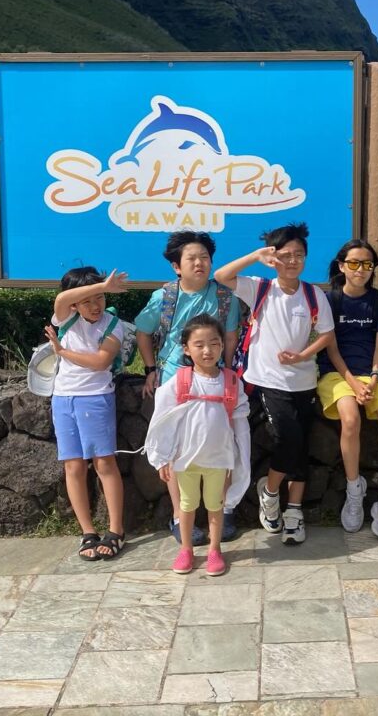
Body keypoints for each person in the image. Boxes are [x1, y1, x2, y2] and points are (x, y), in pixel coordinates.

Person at [214, 222, 334, 546]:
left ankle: (293, 510)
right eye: (285, 255)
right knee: (290, 439)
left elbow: (326, 334)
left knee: (301, 445)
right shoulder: (260, 288)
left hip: (304, 381)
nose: (292, 261)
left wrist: (303, 355)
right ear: (273, 258)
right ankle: (269, 493)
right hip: (267, 381)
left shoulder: (314, 294)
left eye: (299, 255)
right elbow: (222, 276)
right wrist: (255, 256)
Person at [134, 232, 242, 546]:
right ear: (176, 266)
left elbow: (230, 337)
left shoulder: (225, 297)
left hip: (214, 380)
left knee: (223, 443)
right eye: (192, 258)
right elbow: (143, 332)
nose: (199, 263)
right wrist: (151, 369)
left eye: (204, 257)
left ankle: (222, 508)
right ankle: (181, 516)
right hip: (175, 381)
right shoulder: (164, 297)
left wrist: (229, 372)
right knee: (177, 450)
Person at [145, 314, 249, 577]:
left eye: (214, 343)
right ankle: (186, 549)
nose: (207, 350)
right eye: (199, 344)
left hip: (219, 458)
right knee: (187, 505)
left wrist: (240, 458)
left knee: (216, 505)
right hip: (185, 459)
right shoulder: (179, 381)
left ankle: (215, 550)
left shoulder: (231, 381)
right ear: (186, 348)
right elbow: (162, 420)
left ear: (222, 346)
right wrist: (161, 457)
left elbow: (240, 424)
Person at [317, 239, 378, 539]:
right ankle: (355, 490)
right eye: (353, 263)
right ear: (342, 266)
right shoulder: (330, 300)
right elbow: (331, 349)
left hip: (374, 375)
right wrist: (353, 384)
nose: (360, 269)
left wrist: (374, 379)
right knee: (350, 418)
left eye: (367, 264)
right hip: (337, 374)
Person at [44, 267, 128, 561]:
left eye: (100, 298)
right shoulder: (65, 318)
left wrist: (62, 352)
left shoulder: (113, 324)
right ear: (75, 304)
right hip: (63, 398)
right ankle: (88, 532)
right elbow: (61, 299)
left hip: (96, 398)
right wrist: (101, 285)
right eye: (88, 300)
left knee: (104, 462)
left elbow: (101, 362)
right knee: (73, 466)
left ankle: (116, 531)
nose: (95, 305)